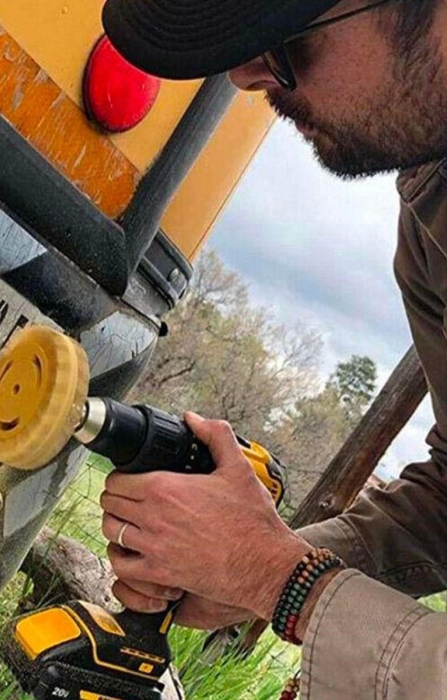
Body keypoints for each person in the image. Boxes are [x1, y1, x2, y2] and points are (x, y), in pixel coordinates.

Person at [98, 1, 447, 698]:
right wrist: (261, 561)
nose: (246, 75)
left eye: (287, 40)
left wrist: (288, 586)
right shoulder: (430, 224)